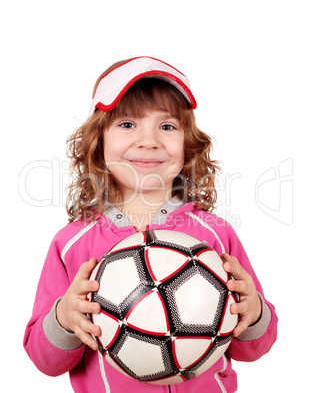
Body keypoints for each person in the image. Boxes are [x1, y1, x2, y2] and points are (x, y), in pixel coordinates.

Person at [24, 56, 278, 392]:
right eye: (127, 124)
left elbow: (253, 348)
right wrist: (63, 319)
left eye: (167, 126)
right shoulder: (71, 243)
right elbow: (45, 361)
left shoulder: (216, 234)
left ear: (188, 146)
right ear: (98, 143)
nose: (149, 140)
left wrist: (255, 312)